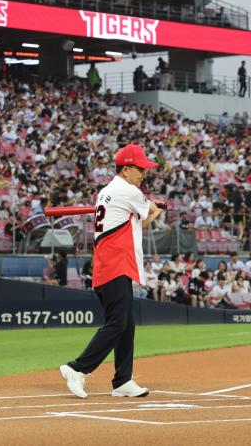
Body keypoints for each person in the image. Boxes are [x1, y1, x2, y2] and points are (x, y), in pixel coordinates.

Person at [60, 143, 163, 399]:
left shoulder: (110, 191)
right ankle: (77, 368)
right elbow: (147, 209)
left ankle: (122, 381)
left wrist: (154, 211)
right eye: (140, 169)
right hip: (115, 265)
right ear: (126, 169)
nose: (144, 174)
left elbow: (140, 223)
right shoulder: (127, 190)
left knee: (126, 325)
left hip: (111, 265)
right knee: (117, 324)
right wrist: (155, 207)